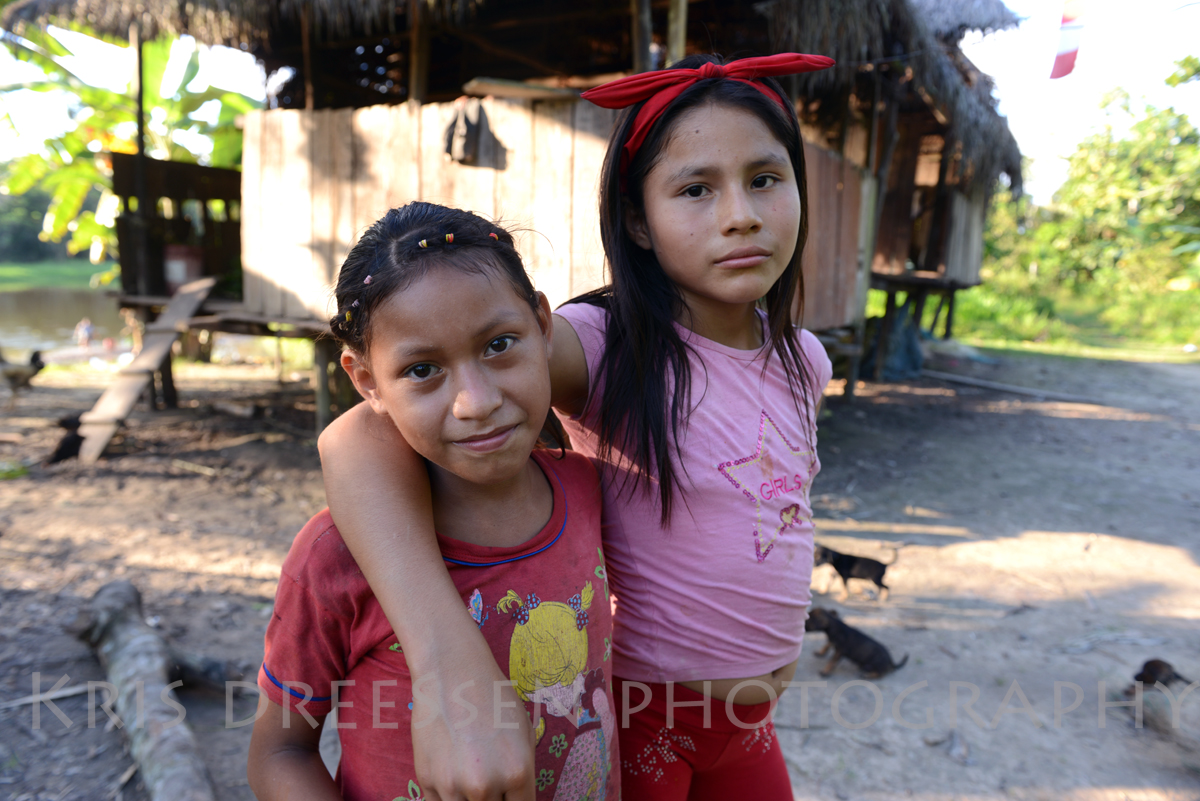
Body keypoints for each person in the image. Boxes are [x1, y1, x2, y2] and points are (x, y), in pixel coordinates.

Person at [318, 52, 837, 801]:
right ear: (637, 219)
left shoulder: (804, 359)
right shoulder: (606, 345)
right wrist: (445, 661)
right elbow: (356, 436)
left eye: (765, 178)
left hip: (753, 724)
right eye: (695, 189)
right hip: (649, 718)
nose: (740, 214)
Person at [248, 203, 618, 801]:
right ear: (367, 381)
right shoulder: (336, 555)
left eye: (500, 344)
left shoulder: (589, 490)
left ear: (544, 326)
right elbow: (280, 750)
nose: (475, 401)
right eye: (422, 369)